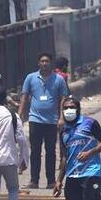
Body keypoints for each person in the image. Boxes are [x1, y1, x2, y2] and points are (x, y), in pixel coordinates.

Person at [19, 52, 70, 190]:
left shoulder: (58, 79)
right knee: (35, 151)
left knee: (51, 151)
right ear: (38, 63)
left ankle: (51, 181)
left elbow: (63, 99)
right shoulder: (31, 78)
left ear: (51, 63)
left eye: (47, 61)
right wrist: (19, 116)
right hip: (35, 120)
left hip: (52, 121)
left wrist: (62, 117)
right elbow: (24, 97)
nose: (44, 63)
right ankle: (34, 181)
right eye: (42, 61)